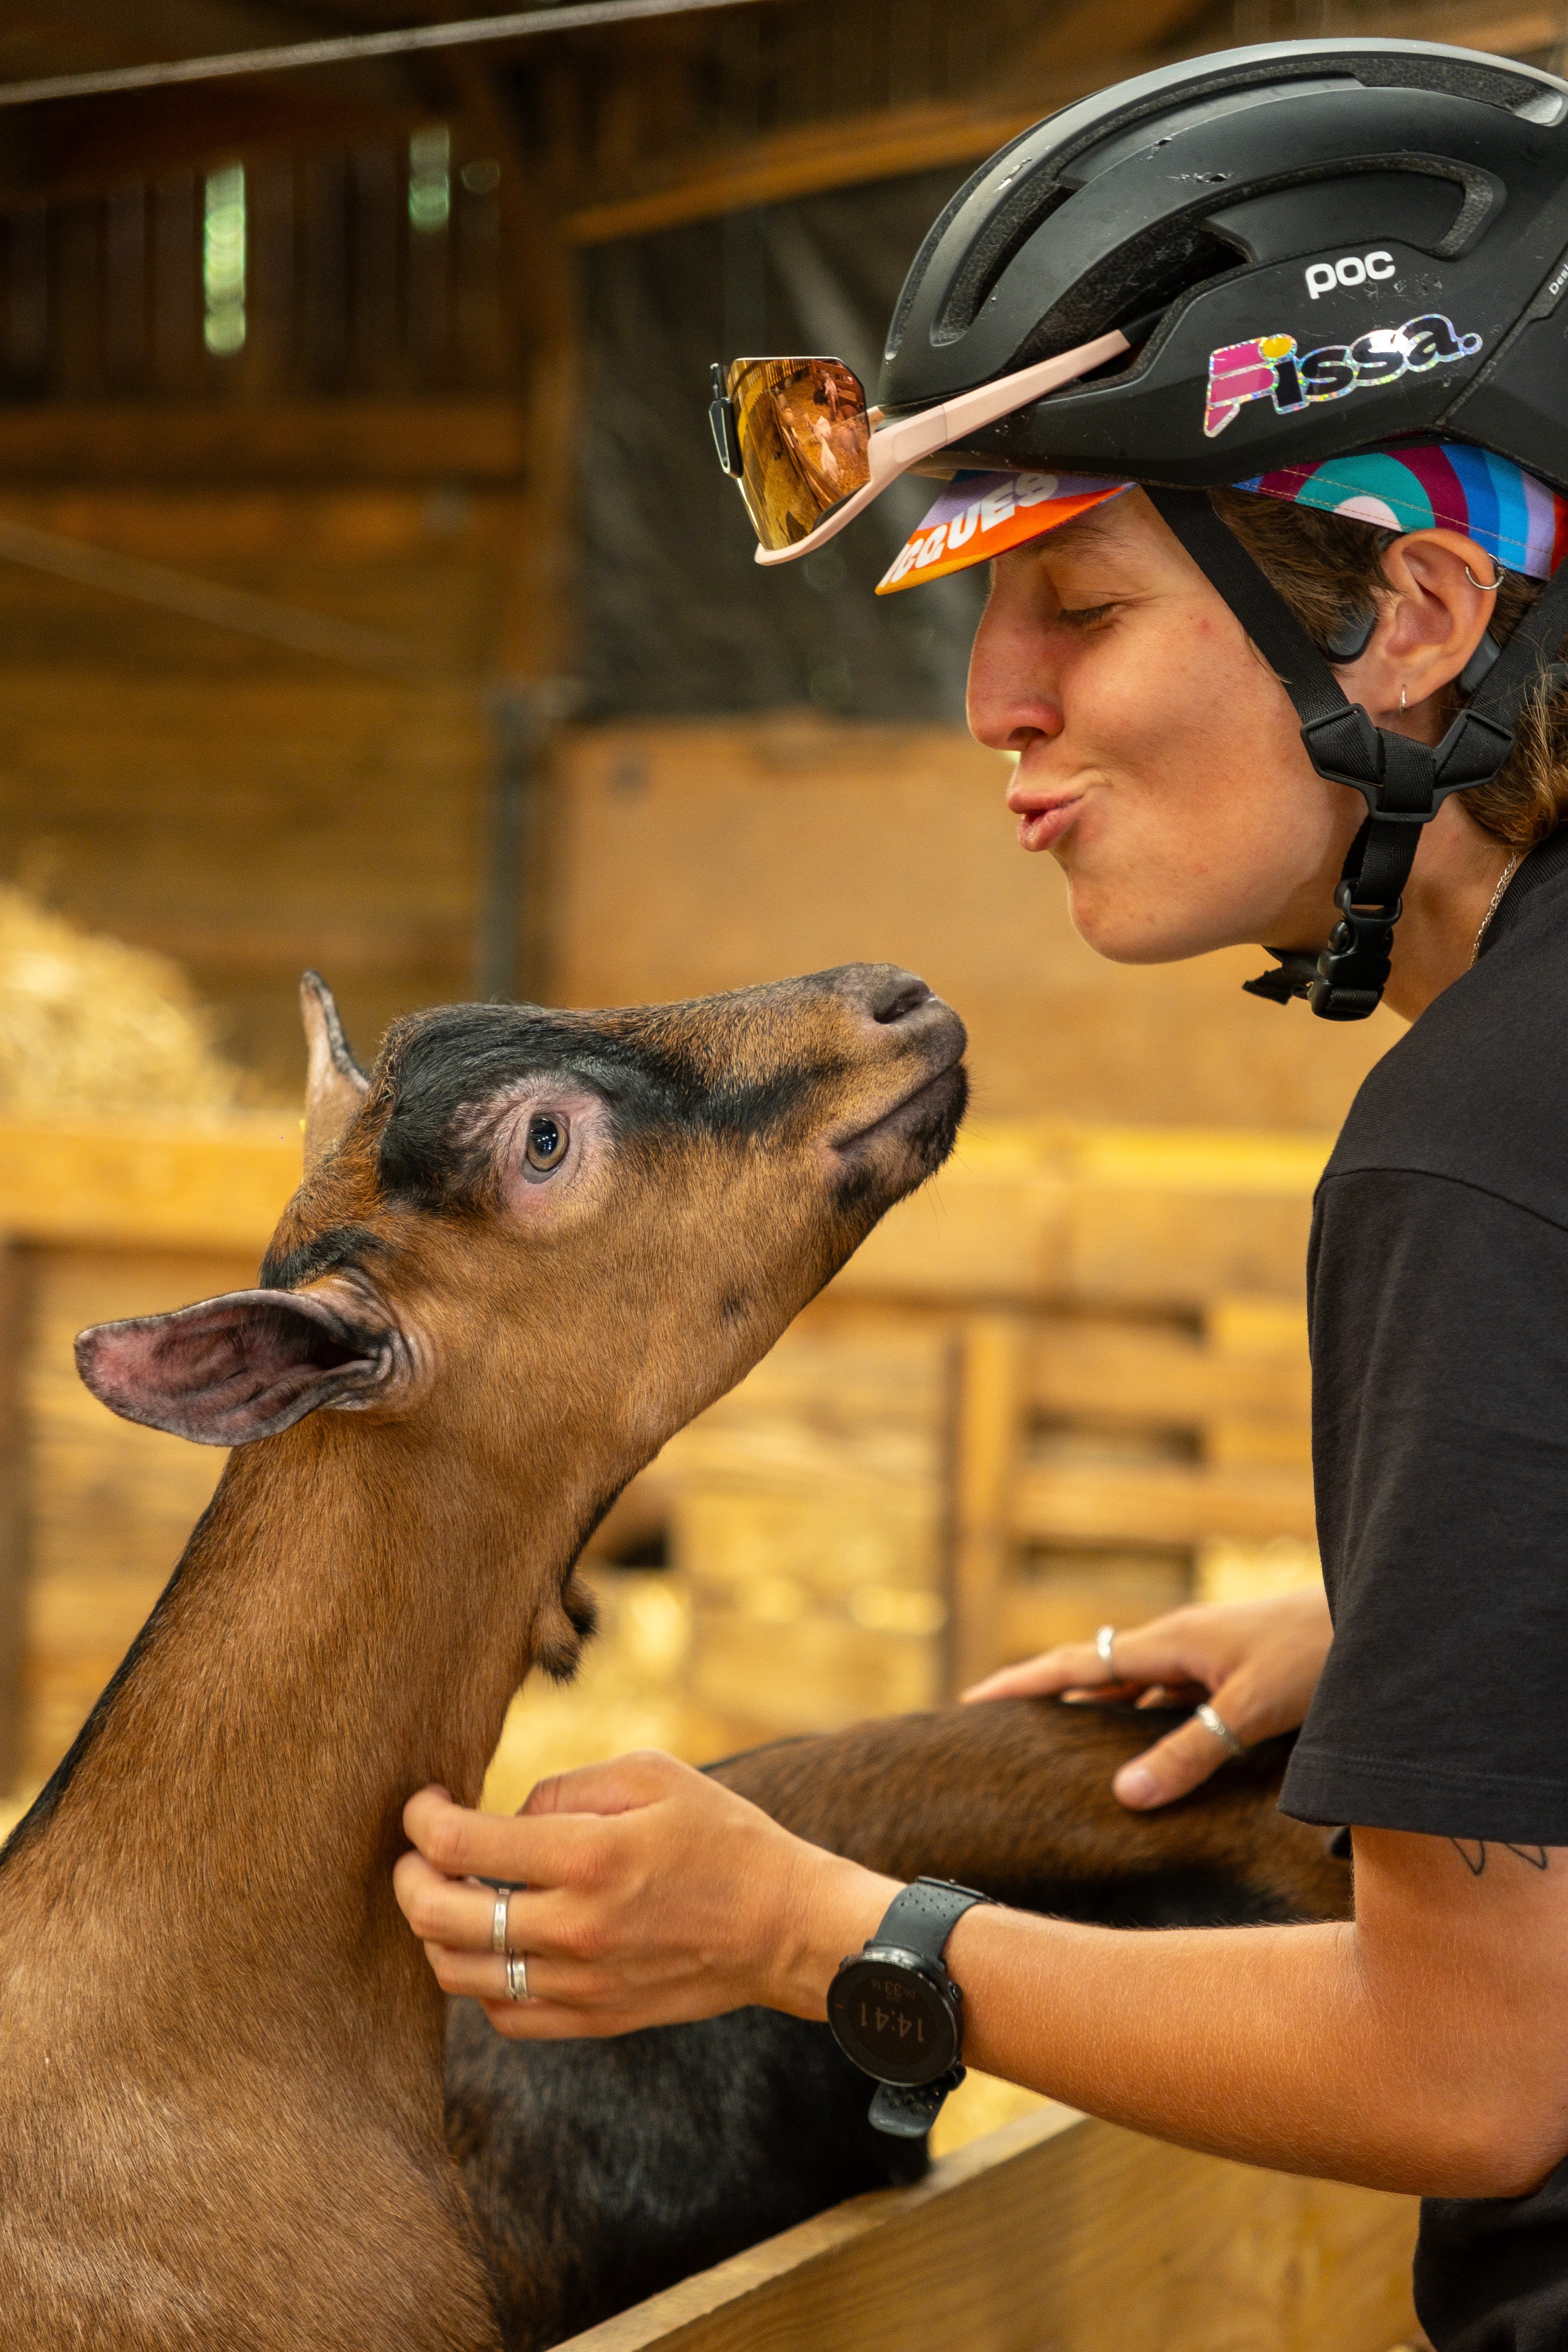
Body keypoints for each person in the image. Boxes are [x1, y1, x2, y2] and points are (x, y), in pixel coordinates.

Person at [395, 39, 1568, 2348]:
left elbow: (1483, 2072)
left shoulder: (1475, 1156)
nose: (993, 708)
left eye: (1084, 604)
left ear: (1412, 618)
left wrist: (814, 1934)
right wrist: (1435, 1656)